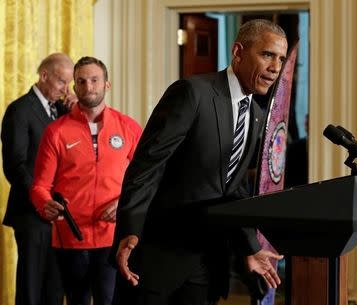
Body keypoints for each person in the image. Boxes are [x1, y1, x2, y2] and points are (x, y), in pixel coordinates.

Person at [112, 19, 288, 305]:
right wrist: (130, 229)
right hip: (159, 255)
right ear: (238, 51)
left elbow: (234, 188)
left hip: (208, 261)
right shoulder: (193, 93)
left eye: (280, 59)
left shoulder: (256, 114)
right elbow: (147, 166)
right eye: (267, 55)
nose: (275, 67)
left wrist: (250, 247)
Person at [30, 56, 142, 305]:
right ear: (74, 86)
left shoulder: (129, 128)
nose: (88, 87)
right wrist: (44, 203)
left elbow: (146, 180)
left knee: (110, 300)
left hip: (115, 238)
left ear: (107, 84)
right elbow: (40, 186)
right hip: (69, 238)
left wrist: (124, 203)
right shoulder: (56, 131)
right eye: (81, 81)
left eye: (94, 80)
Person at [1, 53, 76, 305]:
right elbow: (15, 165)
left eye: (69, 84)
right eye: (62, 82)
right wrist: (41, 200)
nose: (67, 89)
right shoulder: (20, 110)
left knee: (55, 289)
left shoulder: (64, 110)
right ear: (44, 76)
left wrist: (77, 111)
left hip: (61, 216)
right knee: (32, 289)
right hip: (32, 214)